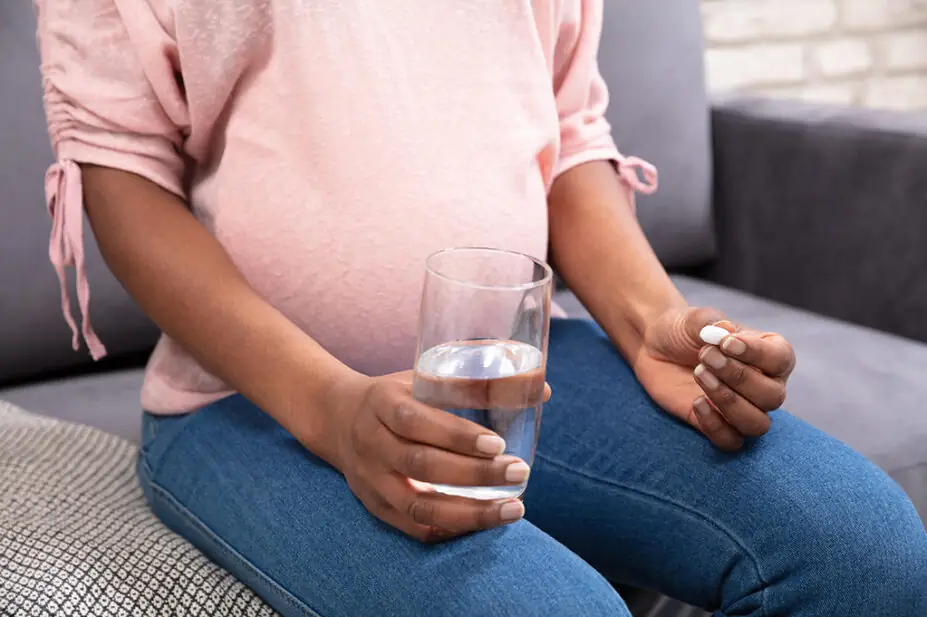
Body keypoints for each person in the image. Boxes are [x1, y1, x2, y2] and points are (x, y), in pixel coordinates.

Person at [35, 1, 926, 615]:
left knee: (862, 549)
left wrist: (650, 316)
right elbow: (123, 178)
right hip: (249, 404)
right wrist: (332, 412)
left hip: (514, 369)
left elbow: (566, 135)